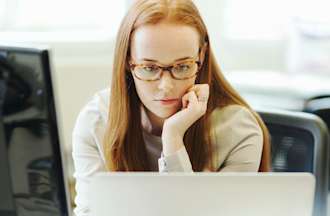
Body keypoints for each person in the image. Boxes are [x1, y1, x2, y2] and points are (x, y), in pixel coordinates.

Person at [72, 0, 271, 215]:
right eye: (149, 68)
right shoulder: (97, 121)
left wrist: (173, 139)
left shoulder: (238, 130)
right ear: (128, 60)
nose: (166, 86)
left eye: (183, 66)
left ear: (201, 56)